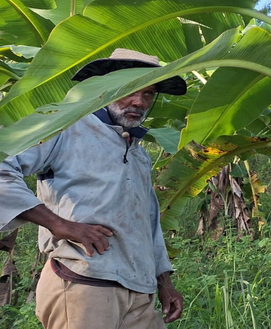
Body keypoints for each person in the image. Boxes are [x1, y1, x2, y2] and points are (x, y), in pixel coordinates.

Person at [0, 49, 187, 328]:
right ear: (106, 86)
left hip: (139, 290)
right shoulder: (66, 129)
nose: (139, 101)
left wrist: (163, 281)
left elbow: (148, 222)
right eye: (131, 90)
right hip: (83, 281)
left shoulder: (138, 153)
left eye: (148, 94)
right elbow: (3, 169)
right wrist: (59, 224)